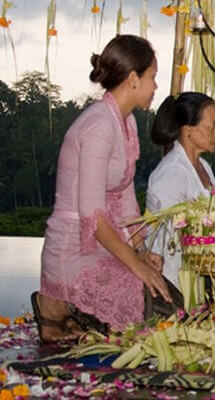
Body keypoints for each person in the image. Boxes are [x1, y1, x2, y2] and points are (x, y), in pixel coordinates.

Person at [35, 35, 174, 342]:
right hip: (74, 250)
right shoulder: (98, 124)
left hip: (103, 246)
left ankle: (68, 311)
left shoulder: (126, 124)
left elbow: (125, 200)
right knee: (154, 316)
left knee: (170, 306)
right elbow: (93, 218)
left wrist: (141, 251)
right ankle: (54, 304)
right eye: (153, 77)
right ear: (133, 79)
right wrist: (135, 263)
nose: (155, 87)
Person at [147, 92, 215, 286]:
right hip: (174, 279)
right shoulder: (172, 173)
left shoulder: (204, 167)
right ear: (188, 130)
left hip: (200, 277)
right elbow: (170, 238)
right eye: (212, 126)